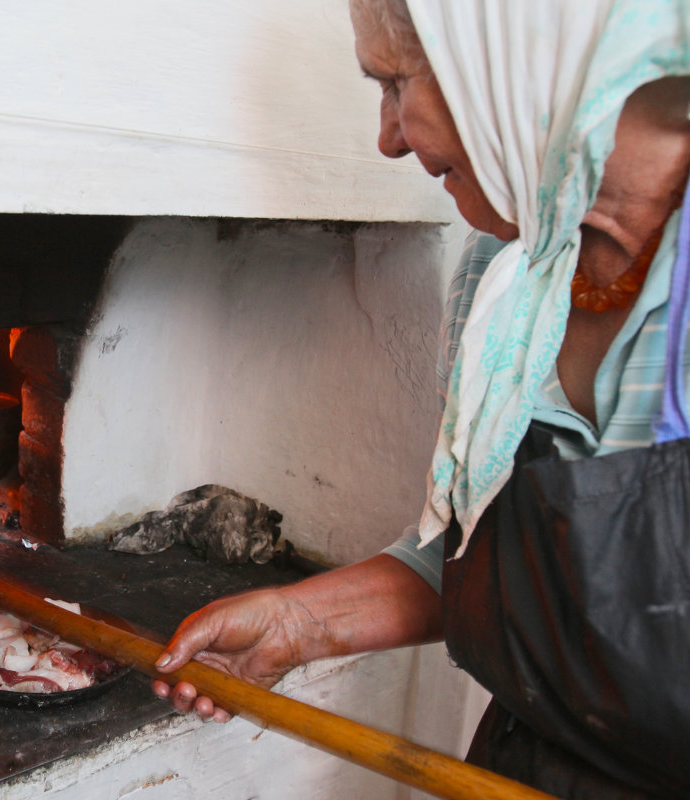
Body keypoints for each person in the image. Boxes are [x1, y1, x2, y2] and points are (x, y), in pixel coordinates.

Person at [152, 0, 690, 796]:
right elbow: (501, 563)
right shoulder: (502, 277)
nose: (389, 136)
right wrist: (300, 624)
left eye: (398, 80)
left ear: (536, 57)